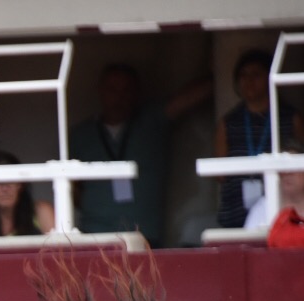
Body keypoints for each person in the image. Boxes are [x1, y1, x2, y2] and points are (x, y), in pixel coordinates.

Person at [67, 63, 212, 244]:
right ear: (100, 91)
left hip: (145, 235)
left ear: (136, 92)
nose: (119, 97)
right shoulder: (81, 135)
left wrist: (224, 70)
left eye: (126, 90)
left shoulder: (151, 121)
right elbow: (73, 191)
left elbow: (187, 99)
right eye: (112, 89)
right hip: (95, 235)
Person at [215, 49, 304, 229]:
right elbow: (220, 174)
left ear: (269, 78)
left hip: (281, 214)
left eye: (256, 75)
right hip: (235, 215)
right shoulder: (228, 123)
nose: (248, 81)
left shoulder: (290, 118)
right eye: (243, 75)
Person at [0, 150, 57, 237]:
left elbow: (59, 249)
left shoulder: (41, 212)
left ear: (20, 184)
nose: (5, 188)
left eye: (11, 180)